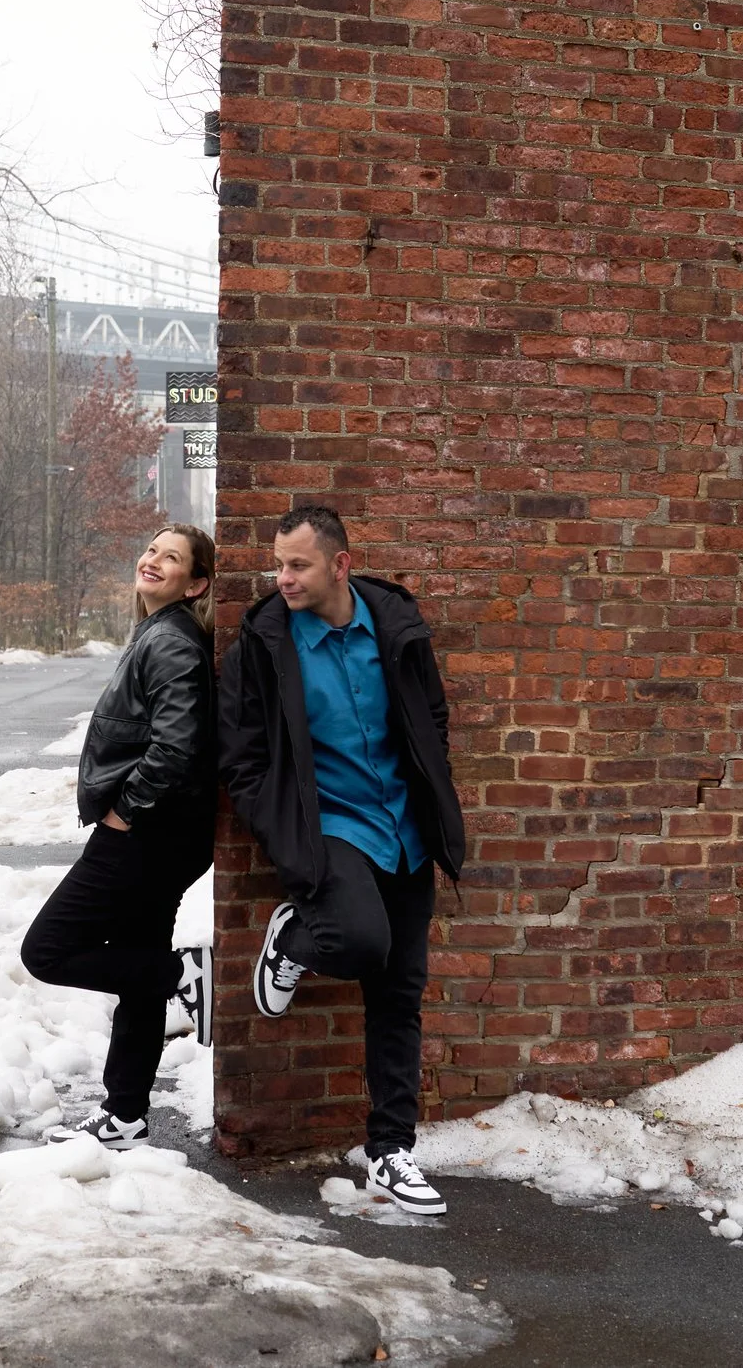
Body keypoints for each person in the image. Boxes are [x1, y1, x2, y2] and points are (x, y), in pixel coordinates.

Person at [218, 505, 465, 1214]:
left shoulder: (393, 625)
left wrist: (434, 779)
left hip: (405, 827)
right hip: (330, 827)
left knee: (399, 991)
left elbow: (431, 715)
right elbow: (242, 756)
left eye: (297, 564)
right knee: (357, 939)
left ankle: (392, 1151)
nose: (282, 577)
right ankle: (295, 936)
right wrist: (282, 830)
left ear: (339, 564)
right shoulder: (266, 643)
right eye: (278, 563)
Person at [20, 524, 219, 1149]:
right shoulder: (161, 634)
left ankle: (186, 974)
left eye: (173, 558)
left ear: (198, 583)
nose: (154, 561)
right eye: (153, 550)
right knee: (137, 965)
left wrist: (127, 811)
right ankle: (127, 1113)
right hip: (166, 833)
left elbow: (176, 744)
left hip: (148, 834)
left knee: (47, 950)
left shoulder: (173, 643)